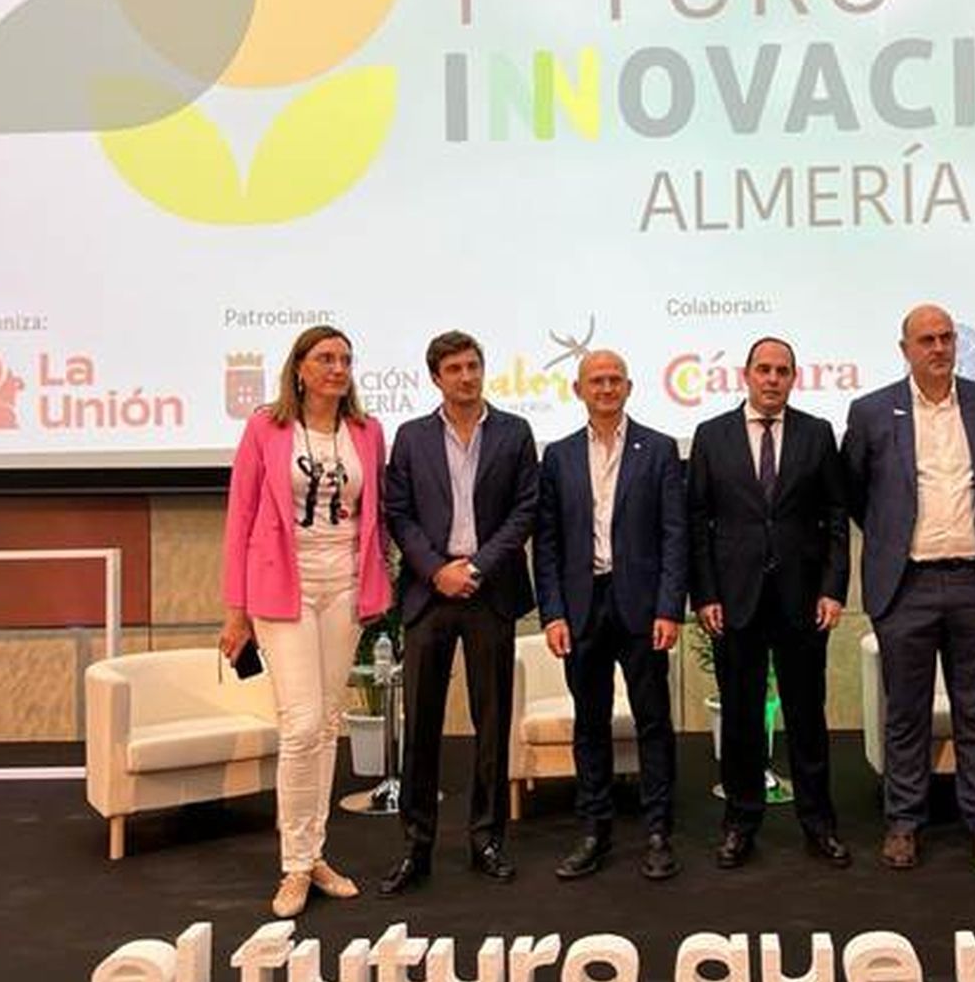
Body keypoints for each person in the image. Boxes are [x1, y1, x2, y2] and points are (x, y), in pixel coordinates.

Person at [219, 325, 391, 918]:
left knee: (327, 725)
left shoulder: (368, 433)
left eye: (345, 358)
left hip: (343, 586)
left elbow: (376, 517)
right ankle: (294, 865)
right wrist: (235, 609)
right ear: (299, 368)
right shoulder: (265, 428)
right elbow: (240, 516)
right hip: (280, 589)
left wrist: (377, 585)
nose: (337, 368)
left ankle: (314, 853)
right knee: (300, 724)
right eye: (325, 358)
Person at [841, 304, 975, 873]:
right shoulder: (871, 412)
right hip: (907, 584)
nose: (938, 348)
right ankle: (904, 822)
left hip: (974, 581)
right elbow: (854, 493)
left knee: (974, 709)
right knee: (906, 713)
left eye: (946, 338)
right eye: (926, 340)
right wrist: (894, 541)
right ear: (905, 349)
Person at [378, 331, 538, 895]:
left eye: (473, 366)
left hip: (488, 592)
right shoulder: (412, 437)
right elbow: (398, 513)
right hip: (429, 595)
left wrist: (476, 568)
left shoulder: (515, 432)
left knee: (491, 723)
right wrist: (436, 570)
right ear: (436, 377)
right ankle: (416, 847)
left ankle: (486, 840)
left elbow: (525, 510)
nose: (467, 376)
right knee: (420, 725)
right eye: (454, 368)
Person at [687, 337, 852, 870]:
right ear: (747, 374)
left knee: (807, 714)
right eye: (764, 369)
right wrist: (705, 593)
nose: (773, 379)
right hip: (734, 601)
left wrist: (833, 588)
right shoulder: (711, 436)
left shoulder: (817, 434)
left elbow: (835, 519)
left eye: (783, 371)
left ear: (793, 377)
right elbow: (697, 524)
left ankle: (818, 822)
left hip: (804, 601)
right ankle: (740, 821)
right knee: (739, 717)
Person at [534, 350, 687, 880]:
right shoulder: (557, 456)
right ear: (579, 390)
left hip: (643, 609)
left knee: (653, 721)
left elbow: (675, 536)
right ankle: (595, 828)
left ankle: (658, 830)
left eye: (614, 379)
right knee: (590, 723)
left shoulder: (661, 450)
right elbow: (546, 544)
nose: (605, 388)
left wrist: (671, 606)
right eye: (595, 381)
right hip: (581, 609)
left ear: (629, 386)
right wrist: (552, 613)